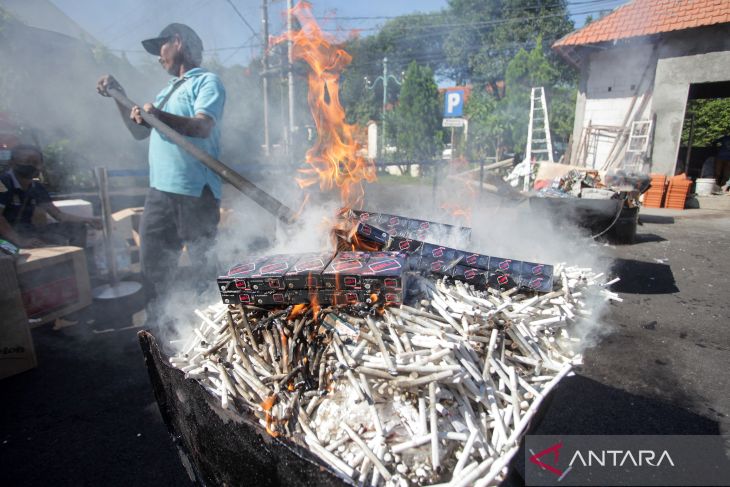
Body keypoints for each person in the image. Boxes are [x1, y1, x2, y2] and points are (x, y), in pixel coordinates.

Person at [96, 23, 226, 303]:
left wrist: (158, 115)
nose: (158, 56)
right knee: (154, 270)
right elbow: (139, 132)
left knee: (205, 270)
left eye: (160, 48)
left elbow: (202, 127)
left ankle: (216, 333)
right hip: (159, 193)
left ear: (177, 42)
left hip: (196, 193)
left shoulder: (206, 81)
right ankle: (161, 337)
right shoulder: (166, 91)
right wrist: (119, 95)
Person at [0, 144, 101, 249]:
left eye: (35, 162)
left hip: (27, 232)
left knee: (76, 228)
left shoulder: (36, 187)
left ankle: (81, 262)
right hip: (2, 240)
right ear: (12, 163)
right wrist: (20, 241)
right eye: (26, 161)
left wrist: (88, 220)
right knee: (12, 252)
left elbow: (58, 215)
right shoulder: (2, 183)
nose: (31, 166)